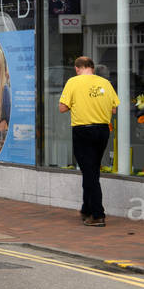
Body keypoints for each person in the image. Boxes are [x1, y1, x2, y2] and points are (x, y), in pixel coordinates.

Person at [59, 55, 118, 227]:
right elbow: (113, 109)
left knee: (90, 172)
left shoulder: (73, 82)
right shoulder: (105, 83)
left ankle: (98, 214)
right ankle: (86, 209)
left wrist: (77, 104)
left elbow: (62, 108)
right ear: (92, 67)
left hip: (83, 130)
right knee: (91, 170)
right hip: (102, 130)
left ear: (77, 68)